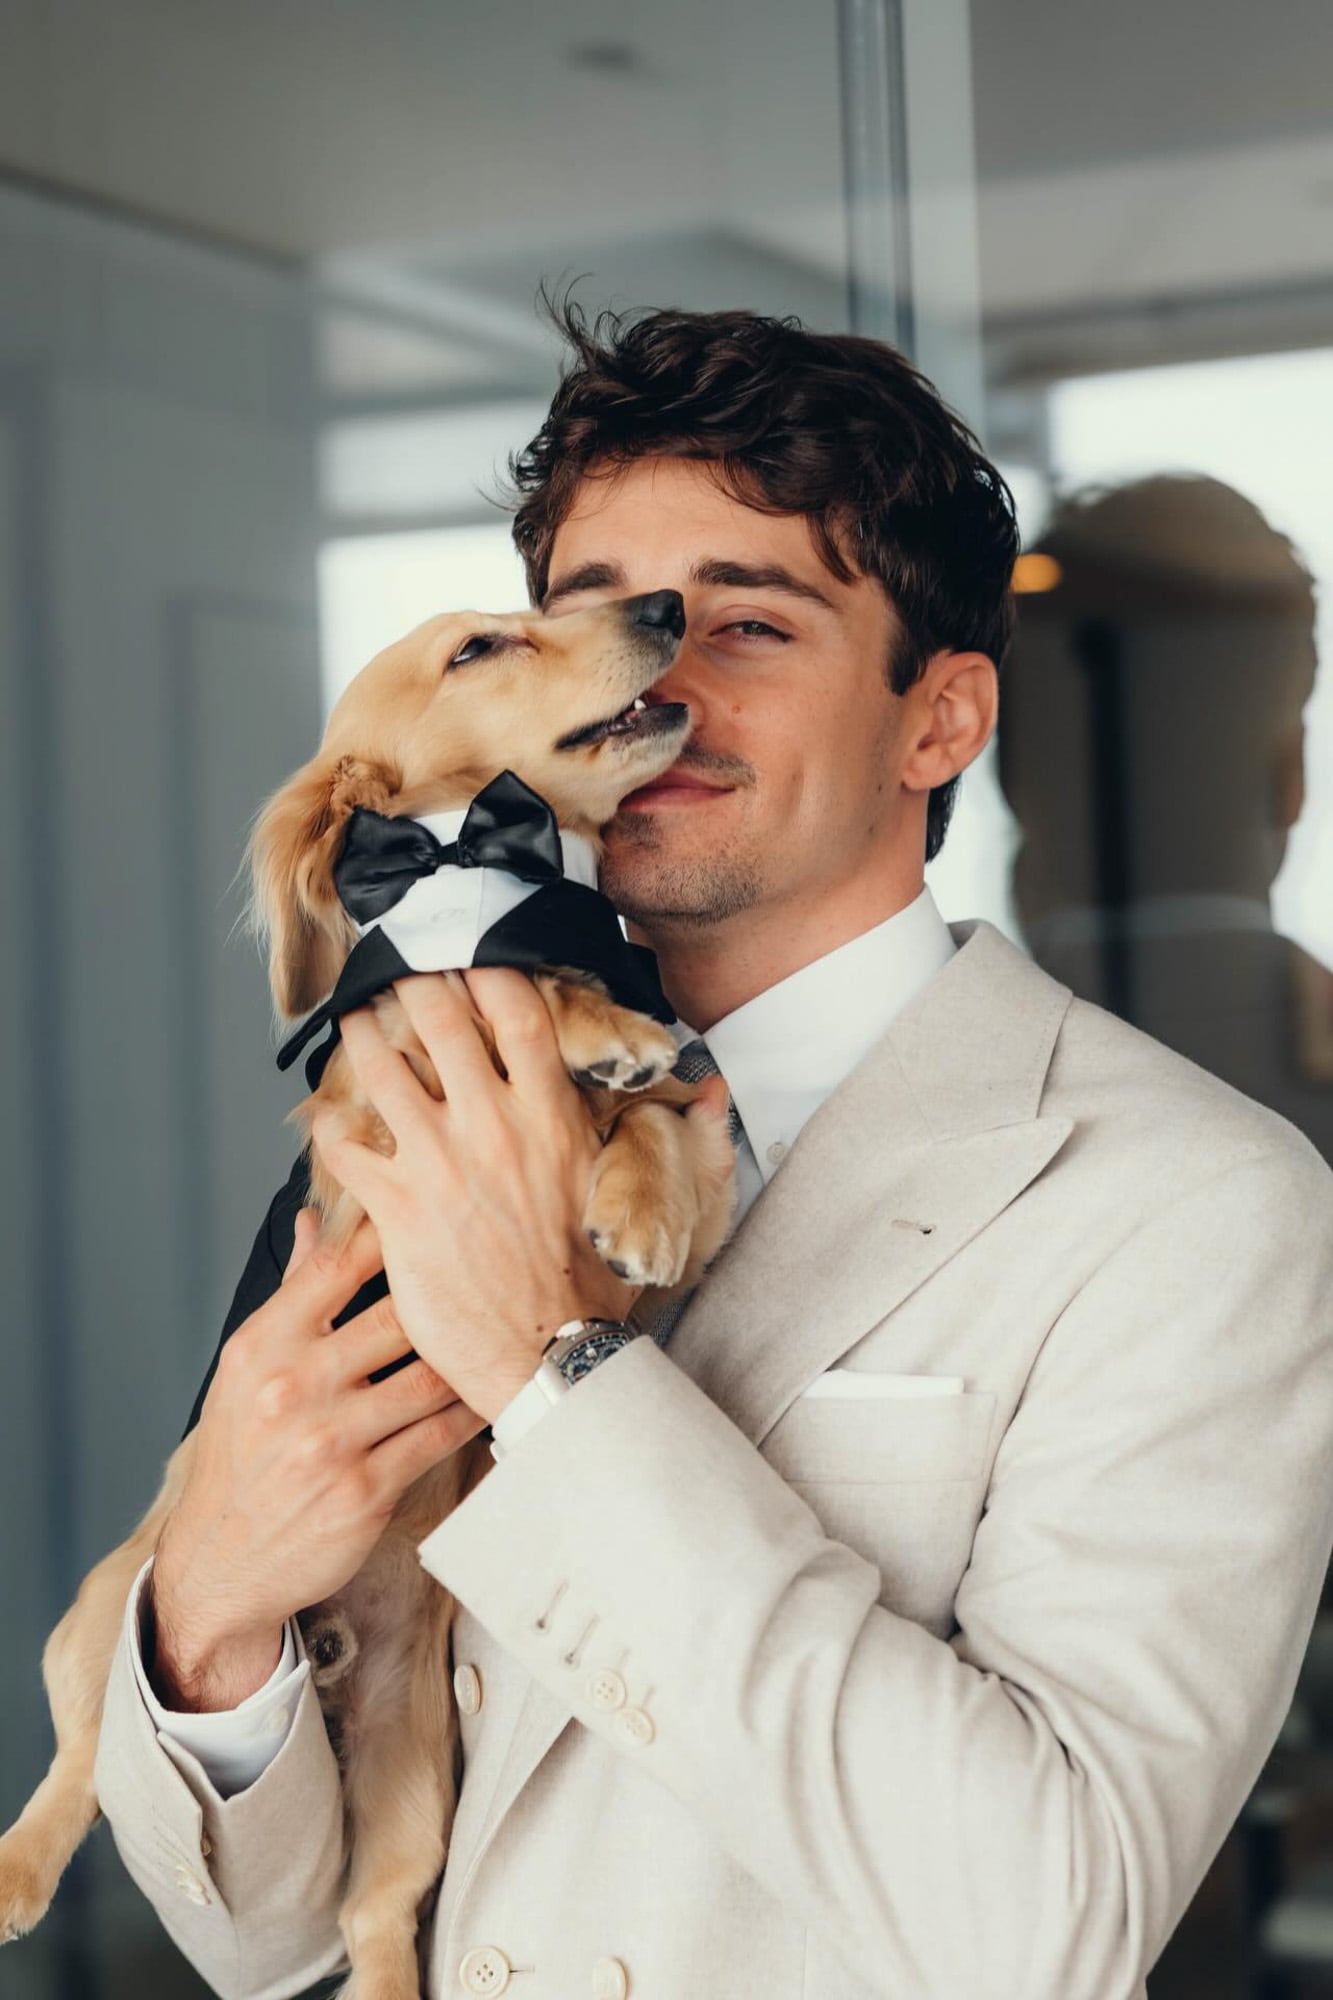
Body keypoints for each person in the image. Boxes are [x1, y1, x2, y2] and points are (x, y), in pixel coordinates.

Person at [93, 305, 1333, 2000]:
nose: (650, 677)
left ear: (939, 723)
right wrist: (216, 1608)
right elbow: (279, 1943)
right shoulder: (437, 1107)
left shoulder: (1197, 1209)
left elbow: (1051, 1920)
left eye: (745, 623)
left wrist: (554, 1375)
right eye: (595, 622)